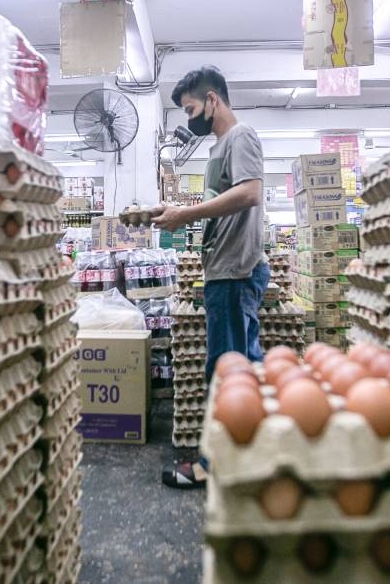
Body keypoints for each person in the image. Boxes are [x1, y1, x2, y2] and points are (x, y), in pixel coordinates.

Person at [153, 66, 269, 489]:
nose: (189, 117)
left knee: (232, 374)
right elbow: (220, 206)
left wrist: (187, 214)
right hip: (224, 272)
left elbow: (251, 192)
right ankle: (236, 460)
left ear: (213, 101)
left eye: (191, 108)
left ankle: (218, 465)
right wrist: (167, 214)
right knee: (228, 372)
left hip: (237, 271)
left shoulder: (241, 137)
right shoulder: (219, 146)